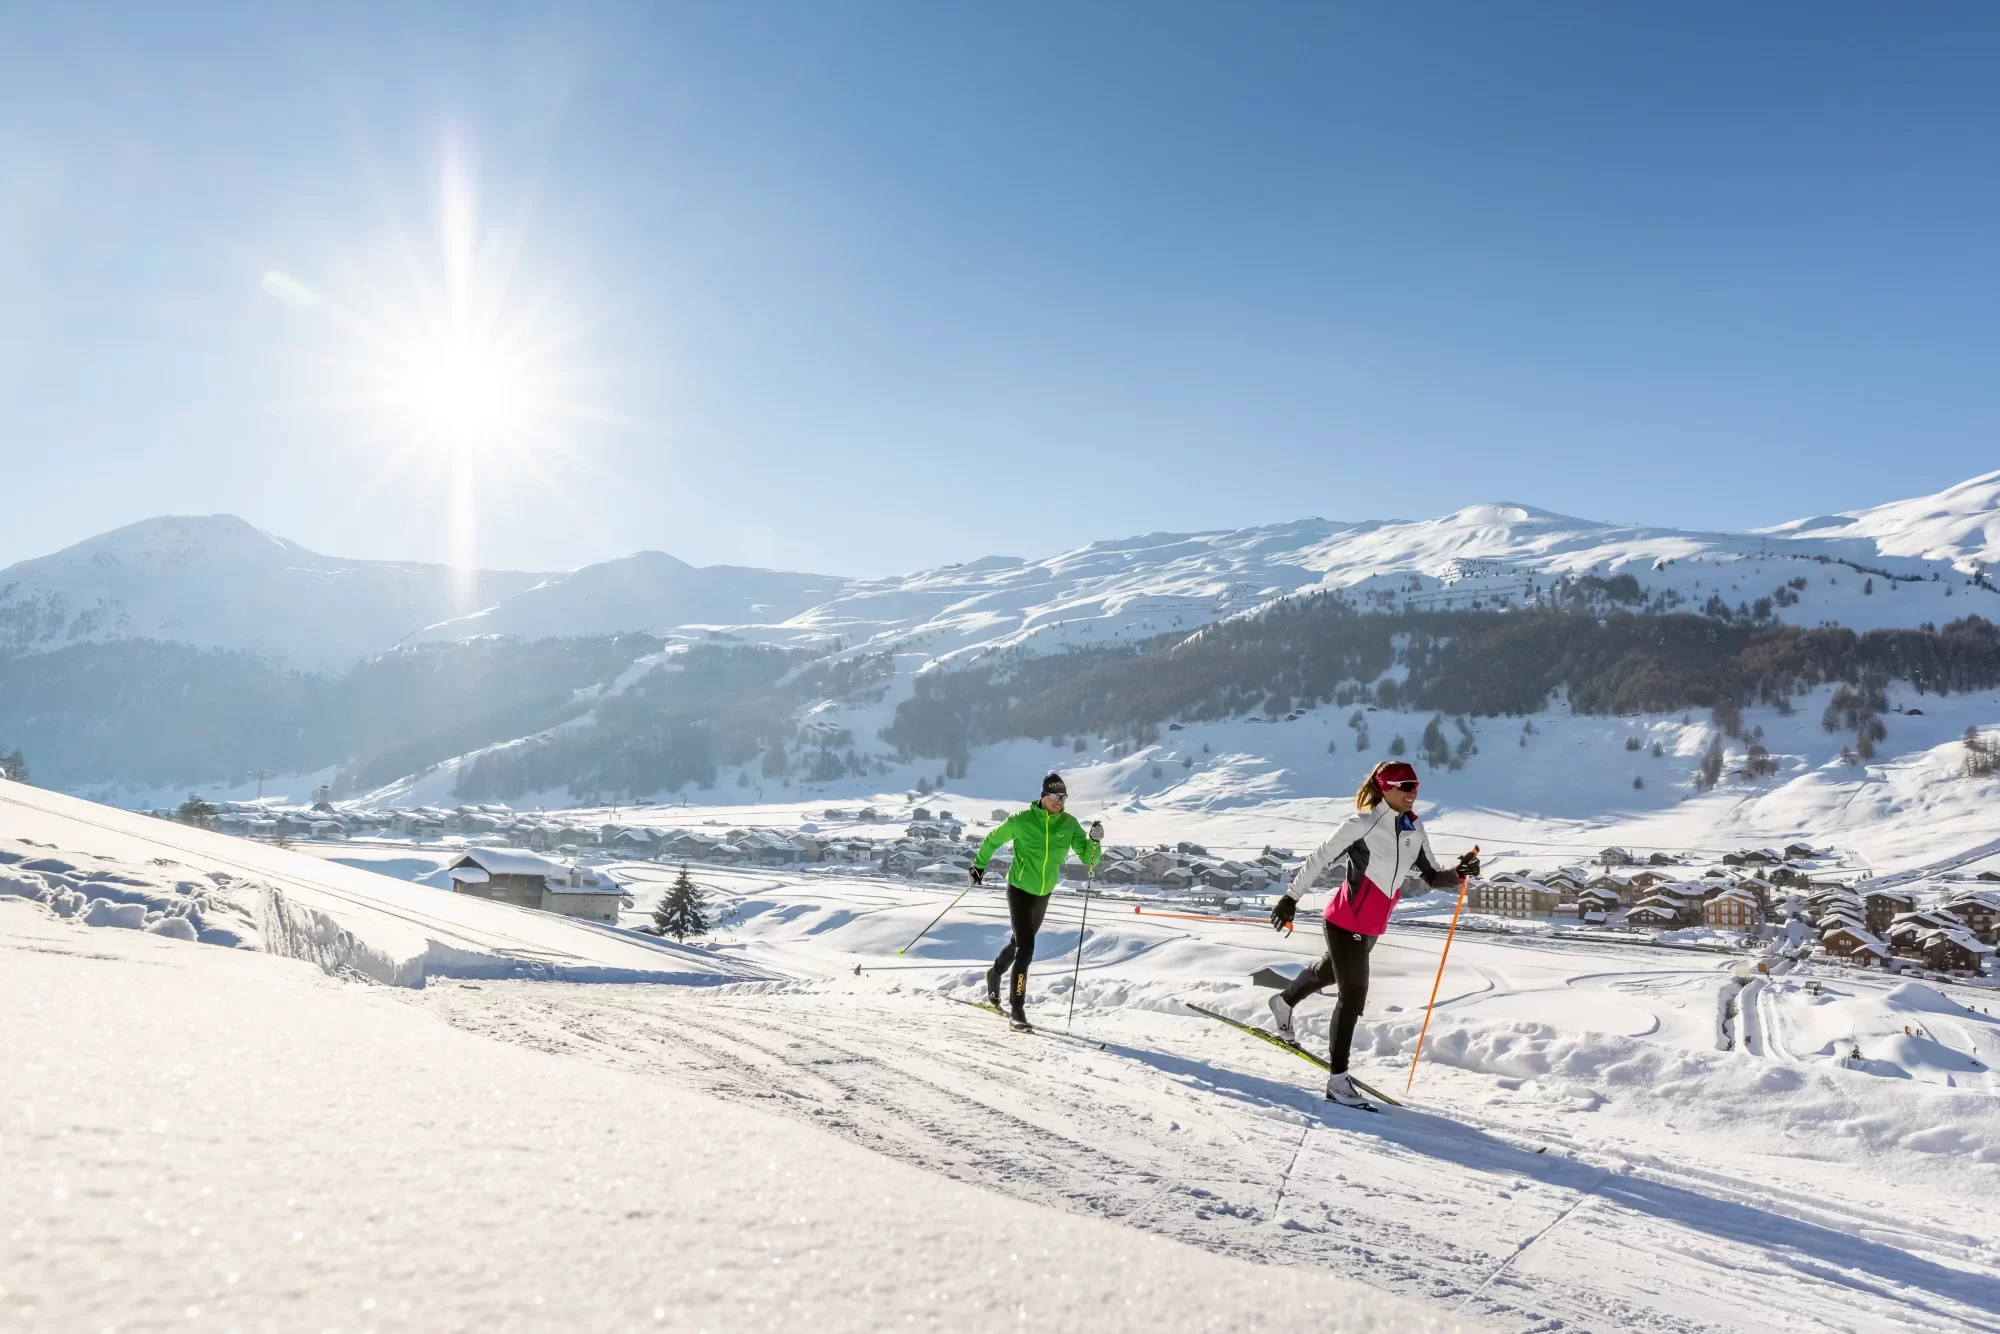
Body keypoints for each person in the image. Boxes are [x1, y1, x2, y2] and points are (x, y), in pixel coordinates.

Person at [1266, 760, 1477, 1106]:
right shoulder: (1361, 825)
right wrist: (1290, 898)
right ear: (1385, 788)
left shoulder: (1414, 829)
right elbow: (1318, 859)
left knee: (1329, 973)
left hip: (1373, 926)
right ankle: (1337, 1081)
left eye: (1416, 785)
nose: (1413, 792)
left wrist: (1459, 872)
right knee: (1354, 994)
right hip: (1344, 920)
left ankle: (1283, 1001)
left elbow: (1432, 875)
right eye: (1405, 786)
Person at [970, 772, 1103, 1028]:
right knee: (1026, 949)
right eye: (1054, 796)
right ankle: (1017, 1010)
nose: (1060, 801)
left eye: (1063, 797)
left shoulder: (1069, 824)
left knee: (1019, 942)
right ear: (1042, 796)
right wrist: (979, 866)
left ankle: (994, 973)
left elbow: (1090, 860)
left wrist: (1093, 840)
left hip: (1043, 892)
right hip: (1019, 888)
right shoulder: (1021, 820)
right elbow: (993, 839)